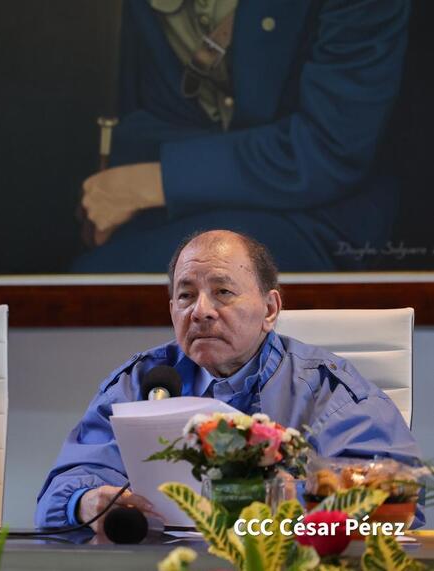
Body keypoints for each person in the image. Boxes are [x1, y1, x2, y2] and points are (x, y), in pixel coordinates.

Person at [37, 230, 420, 530]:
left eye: (222, 292)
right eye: (186, 296)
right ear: (172, 310)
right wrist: (84, 503)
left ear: (269, 310)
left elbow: (399, 509)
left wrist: (294, 501)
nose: (201, 311)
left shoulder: (328, 392)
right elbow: (56, 498)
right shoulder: (142, 383)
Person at [75, 0, 409, 273]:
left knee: (101, 282)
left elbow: (328, 149)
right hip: (187, 206)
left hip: (319, 214)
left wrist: (151, 183)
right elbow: (154, 111)